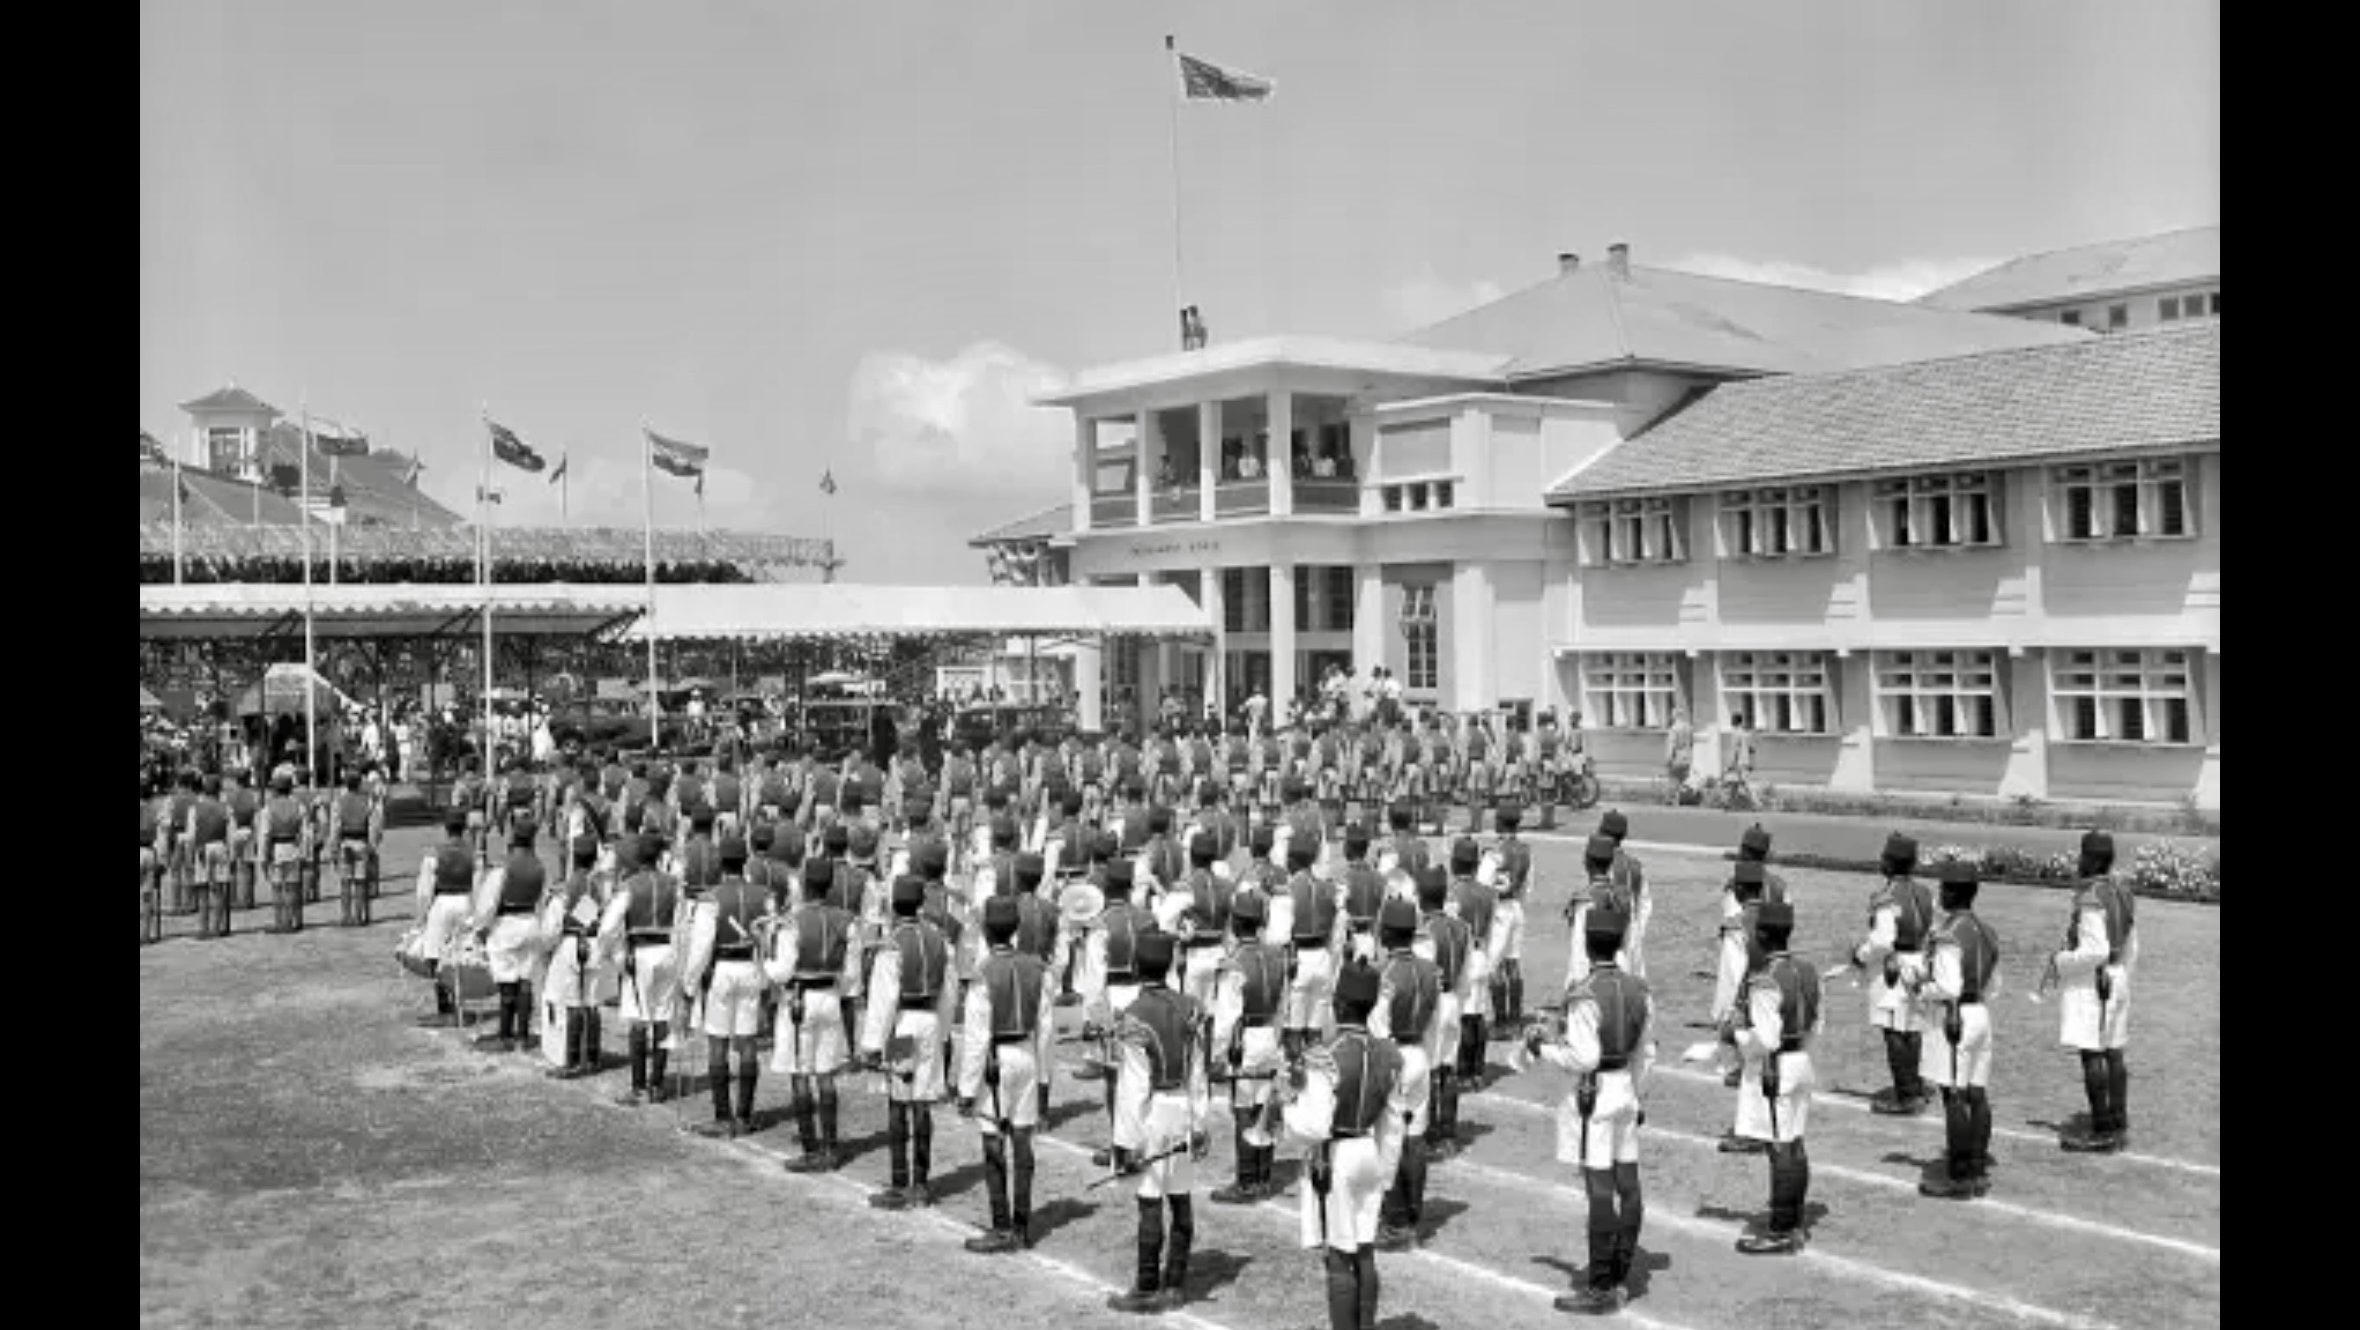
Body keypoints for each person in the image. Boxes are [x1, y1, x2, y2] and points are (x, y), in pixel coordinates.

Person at [1524, 905, 1652, 1311]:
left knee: (1599, 1188)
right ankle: (1621, 1268)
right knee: (1628, 1183)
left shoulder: (1584, 993)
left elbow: (1583, 1057)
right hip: (1626, 1089)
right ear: (1618, 943)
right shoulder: (1639, 990)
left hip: (1594, 1095)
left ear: (1587, 941)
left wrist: (1542, 1047)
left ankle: (1600, 1286)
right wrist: (1638, 1092)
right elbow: (1646, 1052)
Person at [1279, 959, 1409, 1330]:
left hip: (1336, 1156)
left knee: (1338, 1256)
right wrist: (1384, 1172)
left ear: (1339, 1004)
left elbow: (1315, 1125)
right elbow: (1394, 1121)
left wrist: (1284, 1112)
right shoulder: (1388, 1054)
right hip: (1369, 1149)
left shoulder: (1325, 1054)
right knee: (1364, 1249)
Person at [1105, 930, 1210, 1314]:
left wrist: (1127, 1142)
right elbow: (1198, 1072)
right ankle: (1176, 1284)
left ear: (1135, 964)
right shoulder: (1190, 1007)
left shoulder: (1134, 1015)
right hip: (1183, 1105)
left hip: (1152, 1112)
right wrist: (1199, 1122)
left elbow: (1133, 1086)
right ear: (1168, 964)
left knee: (1150, 1198)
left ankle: (1147, 1284)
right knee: (1180, 1195)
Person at [957, 894, 1058, 1253]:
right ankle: (1022, 1225)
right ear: (1016, 928)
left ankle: (1001, 1226)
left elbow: (976, 1036)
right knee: (1022, 1140)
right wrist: (1045, 1077)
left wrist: (966, 1089)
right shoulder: (1038, 968)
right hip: (1027, 1054)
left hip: (995, 1061)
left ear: (986, 929)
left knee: (993, 1141)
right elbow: (1046, 1029)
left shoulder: (983, 972)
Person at [860, 876, 957, 1209]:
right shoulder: (939, 940)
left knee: (899, 1100)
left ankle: (900, 1181)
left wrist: (872, 1043)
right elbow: (949, 992)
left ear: (893, 905)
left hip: (902, 1025)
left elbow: (884, 999)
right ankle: (922, 1183)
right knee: (924, 1101)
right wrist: (943, 1032)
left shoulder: (893, 944)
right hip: (929, 1020)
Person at [1728, 901, 1819, 1254]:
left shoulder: (1765, 980)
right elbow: (1817, 1024)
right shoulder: (1808, 970)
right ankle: (1793, 1218)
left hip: (1775, 1067)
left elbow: (1765, 1039)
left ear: (1762, 934)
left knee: (1780, 1147)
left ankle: (1781, 1229)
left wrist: (1738, 1033)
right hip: (1800, 1059)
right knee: (1794, 1142)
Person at [1912, 862, 2002, 1199]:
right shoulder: (1986, 931)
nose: (1940, 894)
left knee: (1954, 1095)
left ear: (1953, 891)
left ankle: (1959, 1174)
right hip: (1979, 1011)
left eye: (1944, 888)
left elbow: (1947, 986)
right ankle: (1976, 1164)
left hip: (1954, 1016)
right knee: (1977, 1092)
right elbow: (1994, 986)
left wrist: (1921, 986)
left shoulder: (1949, 933)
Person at [771, 856, 861, 1171]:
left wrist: (762, 958)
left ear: (806, 884)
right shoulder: (846, 920)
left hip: (799, 998)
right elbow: (851, 977)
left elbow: (782, 972)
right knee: (826, 1074)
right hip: (831, 997)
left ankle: (810, 1148)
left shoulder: (792, 920)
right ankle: (831, 1147)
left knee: (799, 1073)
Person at [680, 835, 770, 1138]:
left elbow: (702, 947)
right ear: (745, 861)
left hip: (723, 969)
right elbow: (769, 941)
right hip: (751, 968)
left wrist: (689, 986)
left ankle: (723, 1115)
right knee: (747, 1043)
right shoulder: (763, 895)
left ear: (721, 863)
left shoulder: (711, 898)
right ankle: (744, 1115)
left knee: (717, 1042)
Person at [2054, 830, 2137, 1153]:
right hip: (2116, 977)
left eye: (2082, 855)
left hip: (2095, 981)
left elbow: (2094, 950)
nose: (2079, 860)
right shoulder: (2122, 891)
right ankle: (2118, 1117)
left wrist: (2062, 961)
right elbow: (2131, 944)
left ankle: (2102, 1127)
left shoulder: (2090, 897)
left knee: (2092, 1053)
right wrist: (2122, 976)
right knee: (2114, 1051)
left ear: (2092, 858)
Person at [1371, 899, 1442, 1251]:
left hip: (1395, 1056)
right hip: (1420, 1053)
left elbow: (1379, 1028)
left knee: (1391, 1138)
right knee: (1416, 1137)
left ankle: (1397, 1221)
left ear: (1386, 931)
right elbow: (1436, 1020)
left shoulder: (1385, 974)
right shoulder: (1430, 970)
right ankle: (1414, 1214)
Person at [1211, 891, 1287, 1204]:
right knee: (1265, 1106)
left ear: (1235, 921)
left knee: (1244, 1109)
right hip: (1270, 1034)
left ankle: (1246, 1180)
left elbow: (1228, 1015)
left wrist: (1217, 1053)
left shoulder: (1235, 962)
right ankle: (1264, 1176)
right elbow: (1283, 1005)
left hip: (1246, 1040)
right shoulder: (1275, 955)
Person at [597, 833, 683, 1105]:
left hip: (641, 953)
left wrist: (614, 954)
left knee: (638, 1020)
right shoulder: (673, 884)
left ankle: (638, 1086)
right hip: (668, 951)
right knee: (662, 1018)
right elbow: (682, 923)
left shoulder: (630, 886)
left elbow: (609, 926)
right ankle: (657, 1084)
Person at [1852, 833, 1934, 1115]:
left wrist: (1860, 954)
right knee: (1912, 1025)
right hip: (1919, 961)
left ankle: (1907, 1094)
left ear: (1888, 862)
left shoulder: (1885, 898)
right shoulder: (1925, 892)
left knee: (1894, 1030)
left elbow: (1883, 940)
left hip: (1894, 966)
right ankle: (1916, 1083)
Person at [469, 819, 548, 1054]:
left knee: (506, 984)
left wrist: (480, 928)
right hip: (531, 923)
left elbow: (489, 903)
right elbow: (543, 900)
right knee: (525, 980)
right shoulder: (540, 867)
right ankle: (522, 1035)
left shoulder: (504, 867)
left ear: (513, 839)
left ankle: (505, 1035)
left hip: (506, 924)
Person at [1411, 867, 1472, 1160]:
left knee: (1432, 1067)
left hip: (1435, 1002)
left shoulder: (1424, 932)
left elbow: (1423, 979)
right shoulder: (1461, 928)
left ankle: (1433, 1133)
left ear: (1421, 897)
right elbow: (1466, 976)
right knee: (1449, 1067)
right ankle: (1448, 1132)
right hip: (1453, 1000)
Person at [541, 833, 611, 1080]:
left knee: (572, 1004)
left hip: (571, 945)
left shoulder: (566, 887)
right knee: (592, 1004)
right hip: (594, 944)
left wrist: (548, 948)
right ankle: (592, 1057)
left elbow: (552, 929)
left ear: (574, 856)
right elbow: (601, 916)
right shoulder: (600, 886)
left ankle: (571, 1061)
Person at [412, 813, 479, 1026]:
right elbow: (478, 887)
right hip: (465, 901)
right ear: (464, 828)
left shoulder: (434, 854)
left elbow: (425, 890)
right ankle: (459, 1002)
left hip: (442, 902)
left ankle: (444, 1004)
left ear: (446, 828)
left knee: (436, 955)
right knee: (462, 953)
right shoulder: (473, 854)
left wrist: (421, 917)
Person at [331, 769, 381, 928]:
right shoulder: (368, 801)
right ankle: (360, 915)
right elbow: (374, 826)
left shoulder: (339, 801)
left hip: (345, 843)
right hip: (362, 843)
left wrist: (334, 847)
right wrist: (373, 846)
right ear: (360, 783)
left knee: (345, 883)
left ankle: (346, 916)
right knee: (361, 882)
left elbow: (335, 827)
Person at [1664, 709, 1695, 802]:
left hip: (1677, 756)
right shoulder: (1689, 728)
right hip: (1687, 756)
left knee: (1673, 779)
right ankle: (1682, 799)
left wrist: (1668, 759)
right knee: (1683, 779)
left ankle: (1672, 799)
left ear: (1675, 716)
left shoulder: (1674, 729)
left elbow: (1672, 745)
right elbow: (1692, 743)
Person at [1721, 712, 1754, 791]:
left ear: (1735, 722)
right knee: (1741, 784)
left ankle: (1754, 801)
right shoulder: (1746, 734)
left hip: (1740, 763)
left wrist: (1731, 764)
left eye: (1732, 720)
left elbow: (1735, 749)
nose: (1731, 722)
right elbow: (1752, 750)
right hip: (1746, 762)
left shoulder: (1736, 733)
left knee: (1737, 784)